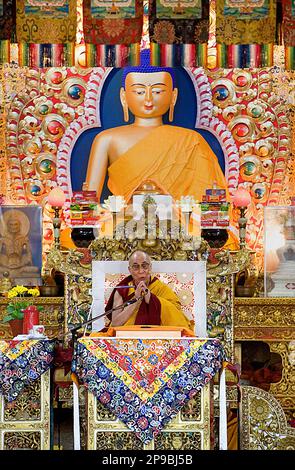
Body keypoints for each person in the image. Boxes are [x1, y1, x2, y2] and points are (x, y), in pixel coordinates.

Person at [84, 49, 227, 203]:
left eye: (158, 91)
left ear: (173, 96)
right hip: (124, 222)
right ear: (123, 97)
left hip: (178, 222)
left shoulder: (191, 140)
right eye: (139, 92)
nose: (148, 100)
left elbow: (211, 202)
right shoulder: (107, 139)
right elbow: (90, 200)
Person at [105, 249, 192, 329]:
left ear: (150, 267)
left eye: (144, 266)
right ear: (130, 270)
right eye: (136, 267)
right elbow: (115, 324)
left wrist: (151, 299)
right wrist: (136, 300)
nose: (141, 271)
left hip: (158, 338)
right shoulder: (122, 290)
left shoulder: (160, 288)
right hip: (128, 338)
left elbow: (177, 315)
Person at [0, 210, 39, 277]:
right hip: (6, 264)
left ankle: (15, 272)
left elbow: (29, 257)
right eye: (11, 224)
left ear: (20, 225)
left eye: (16, 224)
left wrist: (22, 263)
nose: (13, 227)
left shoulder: (24, 239)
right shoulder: (3, 239)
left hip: (21, 265)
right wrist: (5, 263)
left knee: (36, 269)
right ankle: (13, 272)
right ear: (7, 226)